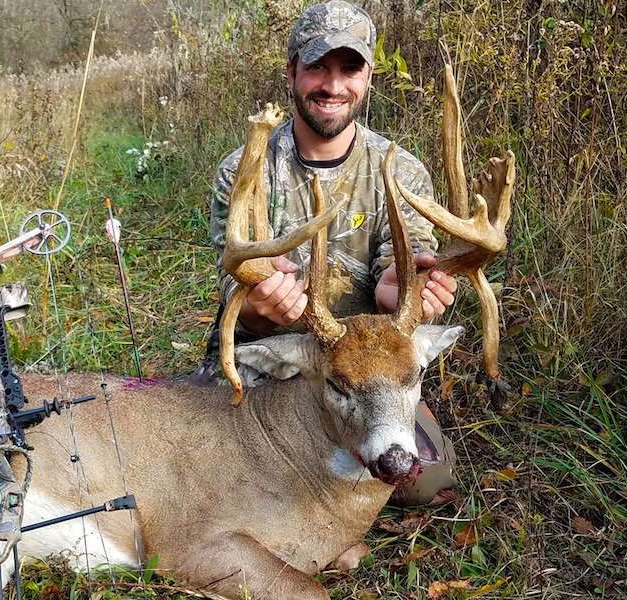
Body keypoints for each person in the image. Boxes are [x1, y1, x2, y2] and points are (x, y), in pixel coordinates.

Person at [192, 0, 457, 506]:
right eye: (317, 66)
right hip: (277, 357)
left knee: (424, 482)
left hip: (362, 376)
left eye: (349, 69)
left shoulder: (399, 171)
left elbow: (407, 264)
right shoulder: (244, 173)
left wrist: (404, 293)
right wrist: (261, 306)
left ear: (368, 77)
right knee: (224, 470)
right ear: (291, 71)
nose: (333, 87)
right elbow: (235, 289)